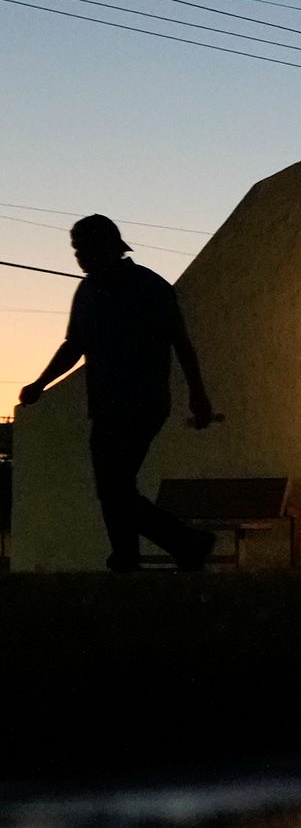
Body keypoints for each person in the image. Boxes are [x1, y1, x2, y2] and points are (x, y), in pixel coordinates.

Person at [18, 215, 219, 571]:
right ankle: (136, 555)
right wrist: (40, 383)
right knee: (115, 487)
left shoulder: (150, 287)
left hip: (143, 402)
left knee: (114, 487)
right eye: (76, 249)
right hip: (106, 403)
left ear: (109, 246)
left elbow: (181, 342)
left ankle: (180, 544)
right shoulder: (88, 291)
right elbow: (74, 345)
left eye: (84, 248)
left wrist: (198, 394)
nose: (79, 256)